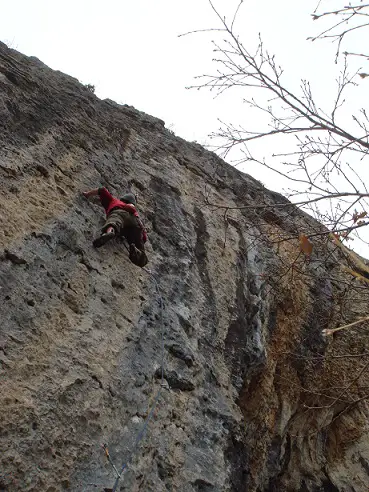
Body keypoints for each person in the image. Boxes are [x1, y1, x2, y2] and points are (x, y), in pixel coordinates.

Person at [82, 187, 148, 267]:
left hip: (119, 212)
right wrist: (140, 240)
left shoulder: (115, 201)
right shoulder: (135, 213)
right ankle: (139, 254)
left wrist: (87, 194)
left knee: (114, 221)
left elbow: (102, 190)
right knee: (137, 241)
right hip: (135, 223)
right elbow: (143, 237)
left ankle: (110, 232)